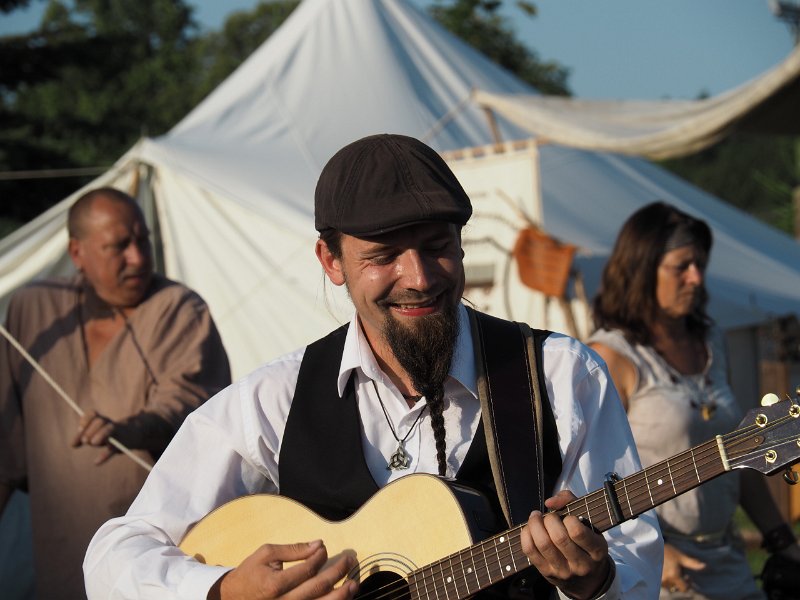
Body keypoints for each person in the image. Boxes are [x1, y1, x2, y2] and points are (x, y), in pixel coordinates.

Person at [83, 134, 662, 600]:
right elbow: (114, 557)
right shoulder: (275, 399)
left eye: (436, 245)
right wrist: (222, 590)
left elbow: (635, 564)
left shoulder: (559, 377)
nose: (419, 277)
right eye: (383, 256)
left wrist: (595, 583)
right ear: (331, 261)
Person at [0, 187, 232, 599]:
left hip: (153, 566)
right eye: (118, 247)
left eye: (142, 240)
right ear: (78, 254)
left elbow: (191, 404)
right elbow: (6, 447)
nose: (138, 258)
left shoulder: (178, 308)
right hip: (59, 555)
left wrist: (135, 428)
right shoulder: (33, 312)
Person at [588, 201, 800, 599]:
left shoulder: (710, 343)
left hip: (729, 560)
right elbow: (587, 481)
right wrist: (657, 553)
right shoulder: (610, 358)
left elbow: (741, 453)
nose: (696, 278)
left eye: (700, 264)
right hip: (658, 574)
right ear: (641, 270)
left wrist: (782, 541)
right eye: (681, 266)